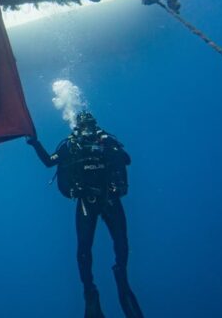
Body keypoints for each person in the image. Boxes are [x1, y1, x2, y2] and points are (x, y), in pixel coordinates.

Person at [27, 112, 143, 318]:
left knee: (121, 243)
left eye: (90, 126)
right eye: (84, 126)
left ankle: (120, 274)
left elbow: (127, 160)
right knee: (84, 248)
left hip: (109, 197)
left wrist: (109, 144)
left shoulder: (106, 142)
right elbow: (49, 161)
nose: (87, 131)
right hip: (86, 200)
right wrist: (34, 143)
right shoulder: (71, 145)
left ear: (95, 125)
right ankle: (89, 290)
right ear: (77, 127)